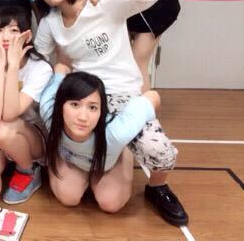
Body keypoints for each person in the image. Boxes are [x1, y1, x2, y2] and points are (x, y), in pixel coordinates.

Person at [32, 0, 188, 226]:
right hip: (84, 94)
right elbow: (40, 55)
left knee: (157, 150)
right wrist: (53, 77)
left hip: (122, 93)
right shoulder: (50, 23)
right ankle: (80, 162)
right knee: (69, 187)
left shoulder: (104, 4)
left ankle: (157, 187)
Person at [0, 6, 51, 209]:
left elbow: (10, 114)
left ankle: (27, 170)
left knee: (3, 127)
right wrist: (0, 64)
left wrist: (12, 66)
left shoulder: (40, 68)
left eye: (14, 30)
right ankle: (8, 165)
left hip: (27, 135)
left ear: (27, 35)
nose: (5, 36)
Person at [40, 71, 161, 213]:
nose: (83, 117)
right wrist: (63, 68)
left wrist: (147, 131)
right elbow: (60, 69)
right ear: (60, 105)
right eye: (75, 104)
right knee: (68, 197)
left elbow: (153, 96)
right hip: (72, 160)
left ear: (101, 111)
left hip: (108, 161)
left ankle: (124, 152)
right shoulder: (49, 112)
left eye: (92, 107)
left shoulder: (118, 132)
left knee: (111, 203)